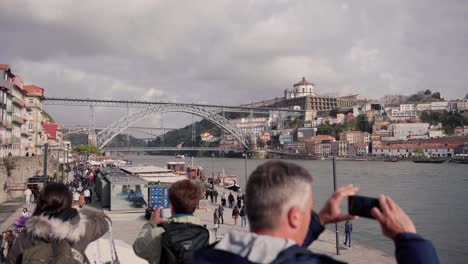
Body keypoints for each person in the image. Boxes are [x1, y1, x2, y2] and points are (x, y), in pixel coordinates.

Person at [194, 160, 439, 264]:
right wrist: (408, 238)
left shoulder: (204, 256)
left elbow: (272, 251)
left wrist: (318, 220)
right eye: (307, 207)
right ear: (295, 217)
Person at [6, 183, 109, 264]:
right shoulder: (80, 230)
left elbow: (11, 261)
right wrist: (79, 209)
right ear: (68, 203)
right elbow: (105, 220)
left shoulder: (26, 235)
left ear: (41, 203)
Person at [133, 179, 215, 264]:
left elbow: (138, 248)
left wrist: (151, 223)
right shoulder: (209, 235)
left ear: (171, 206)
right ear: (195, 205)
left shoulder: (158, 234)